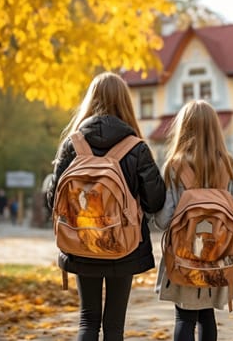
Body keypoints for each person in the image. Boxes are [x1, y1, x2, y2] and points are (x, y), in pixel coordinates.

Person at [46, 72, 166, 341]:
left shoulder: (73, 144)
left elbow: (53, 199)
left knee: (87, 320)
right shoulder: (136, 148)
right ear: (125, 102)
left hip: (80, 242)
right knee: (114, 326)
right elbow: (155, 201)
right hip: (122, 246)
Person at [154, 100, 233, 341]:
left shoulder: (174, 167)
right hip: (219, 257)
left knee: (184, 318)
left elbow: (163, 219)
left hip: (183, 258)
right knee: (207, 316)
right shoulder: (227, 166)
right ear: (215, 129)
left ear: (183, 129)